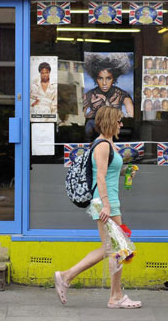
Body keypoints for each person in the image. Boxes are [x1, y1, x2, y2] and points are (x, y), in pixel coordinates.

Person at [54, 107, 141, 309]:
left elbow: (106, 172)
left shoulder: (108, 143)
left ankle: (67, 277)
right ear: (110, 121)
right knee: (119, 248)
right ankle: (115, 296)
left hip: (107, 201)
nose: (121, 124)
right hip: (104, 203)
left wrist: (125, 172)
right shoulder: (102, 145)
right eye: (119, 121)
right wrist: (107, 206)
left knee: (111, 248)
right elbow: (99, 177)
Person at [83, 53, 134, 123]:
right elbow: (80, 119)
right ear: (95, 78)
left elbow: (131, 118)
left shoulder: (123, 96)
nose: (104, 83)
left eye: (108, 78)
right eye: (100, 78)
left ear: (114, 78)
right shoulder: (89, 96)